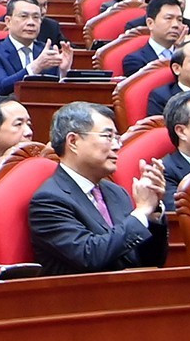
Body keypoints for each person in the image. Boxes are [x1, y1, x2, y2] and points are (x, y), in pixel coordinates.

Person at [28, 102, 166, 276]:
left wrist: (152, 214)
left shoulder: (116, 192)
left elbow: (151, 261)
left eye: (117, 137)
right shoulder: (49, 200)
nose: (117, 146)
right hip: (84, 298)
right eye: (108, 136)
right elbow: (90, 257)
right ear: (73, 141)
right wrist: (141, 211)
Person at [0, 0, 72, 98]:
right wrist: (35, 67)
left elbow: (55, 94)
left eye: (36, 17)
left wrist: (63, 72)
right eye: (24, 16)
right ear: (8, 21)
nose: (31, 23)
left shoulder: (47, 52)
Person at [120, 0, 186, 76]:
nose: (176, 25)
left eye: (179, 20)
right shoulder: (135, 60)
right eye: (169, 18)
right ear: (150, 23)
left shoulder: (186, 56)